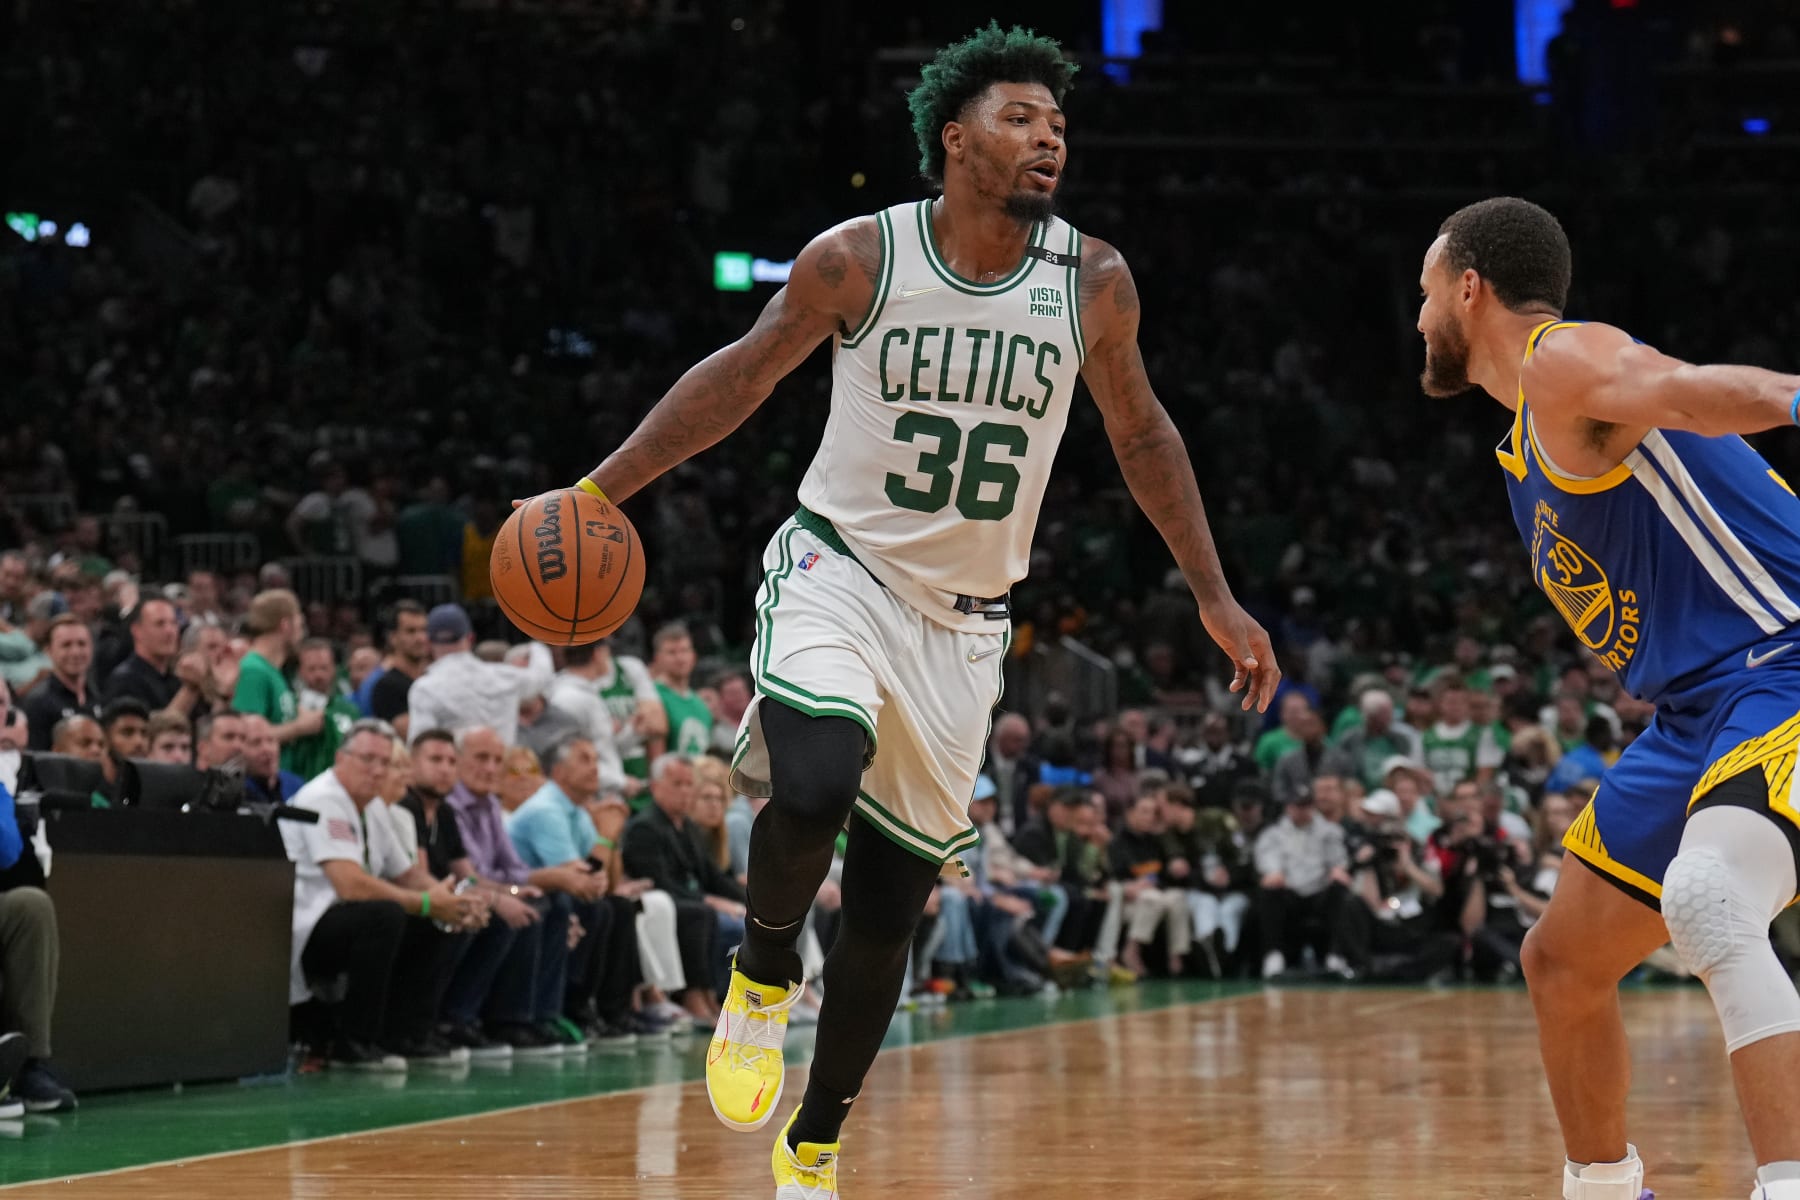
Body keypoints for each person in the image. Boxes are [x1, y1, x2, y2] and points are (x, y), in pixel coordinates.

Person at [518, 25, 1277, 1192]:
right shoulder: (859, 258)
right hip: (842, 569)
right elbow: (743, 374)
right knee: (815, 782)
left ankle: (815, 1142)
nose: (1048, 141)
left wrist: (1214, 596)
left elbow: (1141, 435)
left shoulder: (1093, 280)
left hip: (966, 627)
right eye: (1020, 120)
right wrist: (597, 490)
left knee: (884, 914)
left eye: (1058, 126)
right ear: (955, 139)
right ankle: (763, 973)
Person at [1416, 194, 1800, 1200]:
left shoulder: (1563, 360)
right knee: (1563, 962)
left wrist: (1793, 394)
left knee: (1710, 894)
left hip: (1785, 663)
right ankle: (1604, 1189)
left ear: (1468, 288)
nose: (1417, 317)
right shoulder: (1526, 443)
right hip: (1694, 715)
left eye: (1425, 291)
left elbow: (1686, 390)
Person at [281, 720, 478, 1070]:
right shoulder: (323, 799)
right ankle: (353, 1041)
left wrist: (450, 901)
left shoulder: (372, 806)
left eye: (384, 762)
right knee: (385, 915)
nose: (377, 770)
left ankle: (408, 1034)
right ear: (341, 758)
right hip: (302, 926)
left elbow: (407, 873)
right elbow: (350, 884)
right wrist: (427, 902)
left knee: (436, 921)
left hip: (343, 919)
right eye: (367, 759)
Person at [404, 605, 551, 746]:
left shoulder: (424, 689)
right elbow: (541, 676)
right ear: (471, 638)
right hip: (502, 761)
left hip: (454, 763)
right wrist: (536, 645)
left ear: (428, 643)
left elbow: (419, 743)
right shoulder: (505, 678)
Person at [233, 589, 325, 751]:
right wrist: (299, 727)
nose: (302, 634)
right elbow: (246, 736)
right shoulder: (253, 671)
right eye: (300, 624)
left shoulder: (272, 671)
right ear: (285, 625)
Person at [285, 639, 362, 780]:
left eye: (324, 668)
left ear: (334, 669)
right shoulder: (289, 707)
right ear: (300, 671)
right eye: (312, 669)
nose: (318, 675)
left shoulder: (349, 710)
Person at [22, 615, 100, 751]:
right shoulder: (37, 703)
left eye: (82, 644)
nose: (75, 652)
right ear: (48, 651)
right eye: (66, 645)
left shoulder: (99, 696)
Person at [648, 624, 713, 758]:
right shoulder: (652, 697)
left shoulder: (701, 704)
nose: (680, 658)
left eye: (684, 651)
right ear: (657, 659)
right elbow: (655, 760)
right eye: (671, 652)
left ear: (693, 656)